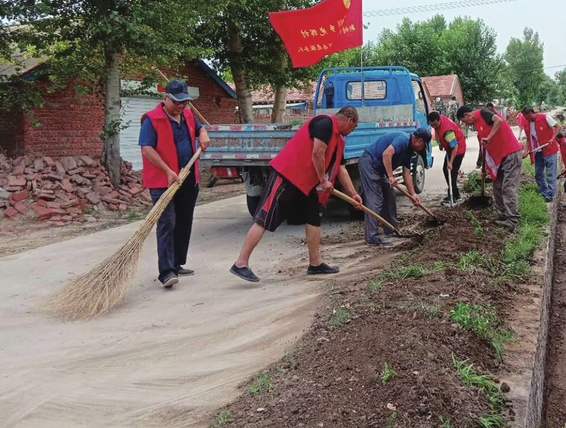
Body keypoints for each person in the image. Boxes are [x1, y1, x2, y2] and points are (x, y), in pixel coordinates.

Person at [230, 107, 362, 283]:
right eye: (353, 128)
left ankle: (315, 263)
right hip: (287, 176)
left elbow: (341, 169)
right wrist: (323, 180)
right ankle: (241, 263)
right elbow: (317, 153)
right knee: (265, 217)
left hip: (306, 185)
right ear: (350, 120)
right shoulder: (325, 123)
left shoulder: (339, 140)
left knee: (314, 218)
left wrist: (353, 194)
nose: (351, 132)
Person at [139, 78, 211, 288]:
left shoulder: (187, 114)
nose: (181, 106)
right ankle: (166, 271)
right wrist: (168, 171)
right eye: (177, 102)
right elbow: (147, 149)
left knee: (184, 221)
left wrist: (203, 133)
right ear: (165, 98)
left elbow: (200, 129)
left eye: (184, 102)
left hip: (188, 178)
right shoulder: (151, 120)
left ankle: (177, 263)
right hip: (164, 181)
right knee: (167, 223)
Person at [358, 127, 430, 245]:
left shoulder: (409, 151)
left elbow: (407, 174)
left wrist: (413, 194)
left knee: (389, 195)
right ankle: (371, 238)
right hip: (369, 163)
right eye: (424, 146)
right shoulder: (403, 139)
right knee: (375, 199)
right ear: (420, 141)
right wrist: (391, 177)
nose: (422, 149)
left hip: (380, 169)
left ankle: (391, 229)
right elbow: (386, 154)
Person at [457, 105, 522, 229]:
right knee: (497, 186)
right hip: (500, 158)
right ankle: (503, 214)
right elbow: (485, 148)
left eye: (464, 121)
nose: (465, 124)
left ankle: (513, 219)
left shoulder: (483, 113)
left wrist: (489, 137)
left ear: (467, 115)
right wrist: (486, 168)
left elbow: (499, 120)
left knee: (508, 187)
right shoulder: (477, 125)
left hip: (511, 154)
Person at [521, 105, 560, 202]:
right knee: (538, 174)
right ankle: (544, 192)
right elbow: (529, 140)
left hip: (550, 150)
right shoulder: (527, 124)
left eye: (526, 116)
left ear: (530, 113)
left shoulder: (544, 117)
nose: (526, 119)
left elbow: (558, 126)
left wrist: (552, 138)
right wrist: (526, 151)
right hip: (538, 151)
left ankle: (550, 195)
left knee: (550, 174)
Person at [428, 111, 466, 205]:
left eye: (436, 124)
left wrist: (451, 162)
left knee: (452, 172)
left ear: (439, 120)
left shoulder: (447, 131)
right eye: (432, 125)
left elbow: (455, 147)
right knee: (445, 170)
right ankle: (454, 194)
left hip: (458, 150)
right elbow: (437, 133)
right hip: (450, 149)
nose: (434, 127)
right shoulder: (438, 118)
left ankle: (454, 197)